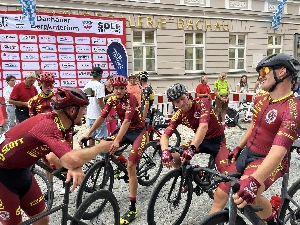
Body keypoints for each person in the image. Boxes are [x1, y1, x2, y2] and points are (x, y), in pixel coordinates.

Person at [0, 87, 115, 225]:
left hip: (22, 171)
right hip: (2, 175)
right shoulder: (47, 125)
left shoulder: (64, 125)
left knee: (42, 219)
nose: (84, 113)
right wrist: (100, 147)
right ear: (72, 110)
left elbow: (54, 156)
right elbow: (72, 158)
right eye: (83, 109)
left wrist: (73, 166)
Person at [210, 53, 300, 225]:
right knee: (220, 194)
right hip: (248, 153)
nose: (260, 75)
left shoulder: (293, 109)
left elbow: (278, 151)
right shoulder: (261, 97)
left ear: (282, 72)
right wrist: (238, 147)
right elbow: (254, 126)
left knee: (249, 195)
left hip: (270, 158)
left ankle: (271, 223)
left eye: (265, 70)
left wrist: (253, 182)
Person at [80, 75, 147, 225]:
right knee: (104, 145)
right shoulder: (111, 100)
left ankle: (133, 208)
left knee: (131, 167)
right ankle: (120, 161)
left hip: (138, 132)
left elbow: (127, 121)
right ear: (112, 88)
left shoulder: (131, 99)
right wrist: (88, 133)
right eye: (116, 88)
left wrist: (117, 140)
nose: (119, 91)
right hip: (125, 131)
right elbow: (101, 117)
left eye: (122, 88)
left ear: (125, 88)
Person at [160, 83, 230, 186]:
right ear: (174, 104)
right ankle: (193, 175)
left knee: (226, 177)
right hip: (201, 141)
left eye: (182, 98)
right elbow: (165, 135)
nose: (181, 103)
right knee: (175, 157)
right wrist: (165, 151)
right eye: (177, 102)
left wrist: (192, 148)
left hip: (217, 141)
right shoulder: (179, 114)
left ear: (187, 95)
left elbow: (203, 126)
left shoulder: (201, 103)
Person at [84, 67, 106, 146]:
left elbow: (88, 99)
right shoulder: (99, 85)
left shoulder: (87, 85)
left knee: (91, 136)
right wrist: (106, 114)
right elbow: (100, 101)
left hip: (90, 114)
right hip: (99, 116)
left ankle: (92, 155)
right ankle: (102, 156)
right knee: (102, 137)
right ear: (100, 74)